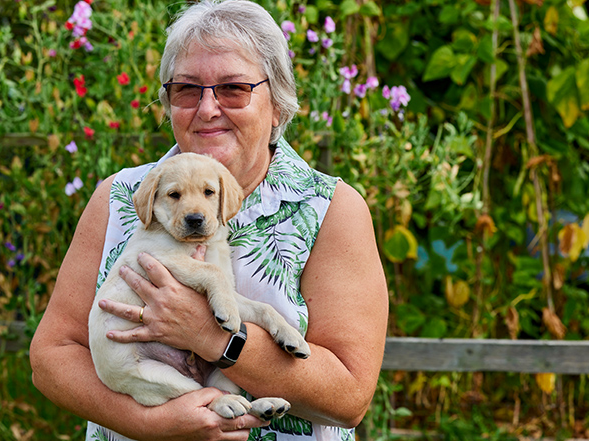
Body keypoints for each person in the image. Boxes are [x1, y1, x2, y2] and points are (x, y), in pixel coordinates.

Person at [29, 0, 389, 440]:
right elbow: (51, 356)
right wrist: (150, 423)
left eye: (233, 88)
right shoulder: (119, 196)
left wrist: (212, 336)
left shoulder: (330, 208)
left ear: (276, 105)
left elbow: (350, 397)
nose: (207, 108)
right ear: (166, 103)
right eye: (186, 89)